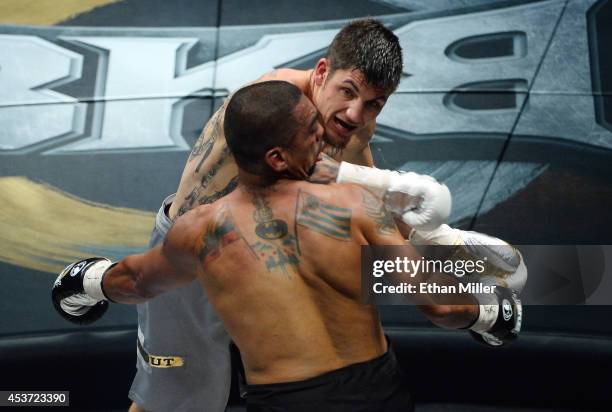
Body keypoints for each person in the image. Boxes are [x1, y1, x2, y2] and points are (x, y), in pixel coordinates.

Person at [51, 81, 522, 411]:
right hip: (375, 392)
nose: (324, 143)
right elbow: (440, 307)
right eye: (312, 135)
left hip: (286, 400)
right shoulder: (355, 205)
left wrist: (88, 281)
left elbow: (135, 282)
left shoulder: (200, 231)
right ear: (277, 156)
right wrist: (490, 313)